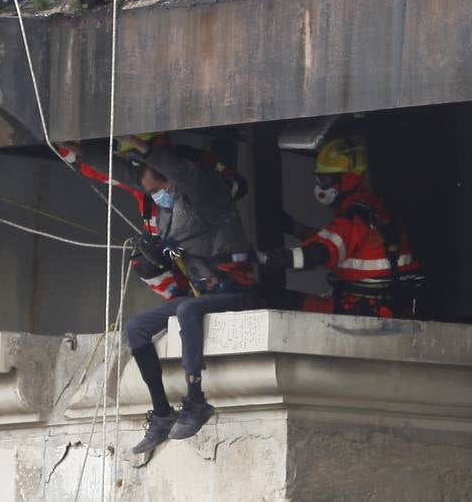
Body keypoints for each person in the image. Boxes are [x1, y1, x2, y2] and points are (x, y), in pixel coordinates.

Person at [60, 134, 256, 453]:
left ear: (171, 180)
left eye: (156, 189)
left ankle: (196, 401)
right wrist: (80, 151)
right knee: (136, 328)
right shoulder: (166, 208)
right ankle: (163, 414)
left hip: (235, 291)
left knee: (186, 312)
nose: (153, 196)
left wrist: (141, 145)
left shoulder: (203, 192)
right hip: (201, 293)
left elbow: (197, 238)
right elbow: (126, 177)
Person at [259, 137, 424, 318]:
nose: (321, 186)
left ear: (347, 178)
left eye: (326, 179)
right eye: (320, 179)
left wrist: (274, 257)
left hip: (363, 309)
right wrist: (296, 229)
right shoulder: (370, 208)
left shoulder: (355, 215)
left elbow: (325, 249)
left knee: (282, 303)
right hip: (380, 305)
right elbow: (341, 243)